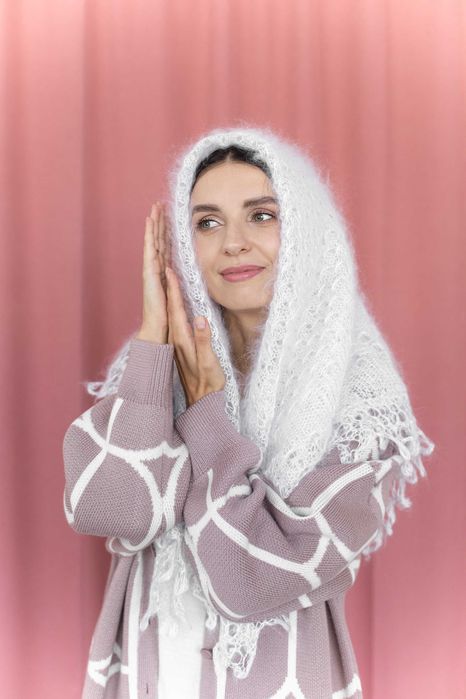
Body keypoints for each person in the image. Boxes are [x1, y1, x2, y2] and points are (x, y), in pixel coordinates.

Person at [62, 125, 435, 699]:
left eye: (262, 216)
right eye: (208, 223)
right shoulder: (157, 367)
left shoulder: (360, 401)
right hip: (149, 671)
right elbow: (116, 510)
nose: (233, 243)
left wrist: (207, 417)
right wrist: (152, 342)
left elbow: (249, 582)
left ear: (306, 230)